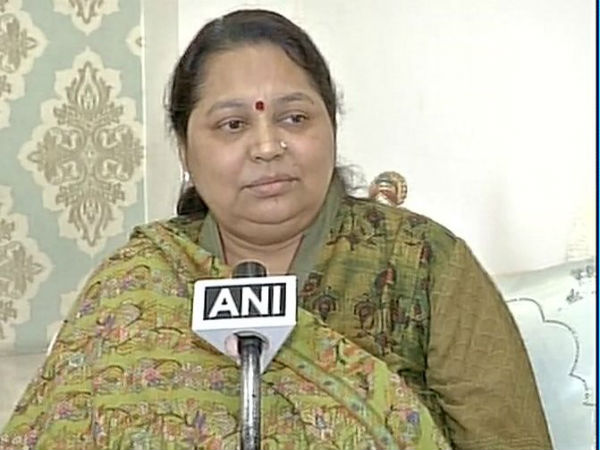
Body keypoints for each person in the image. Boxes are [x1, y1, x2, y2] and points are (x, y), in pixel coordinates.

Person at [0, 9, 552, 450]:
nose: (267, 146)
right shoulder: (138, 282)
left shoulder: (424, 265)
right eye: (233, 124)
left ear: (331, 126)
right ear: (185, 149)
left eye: (294, 118)